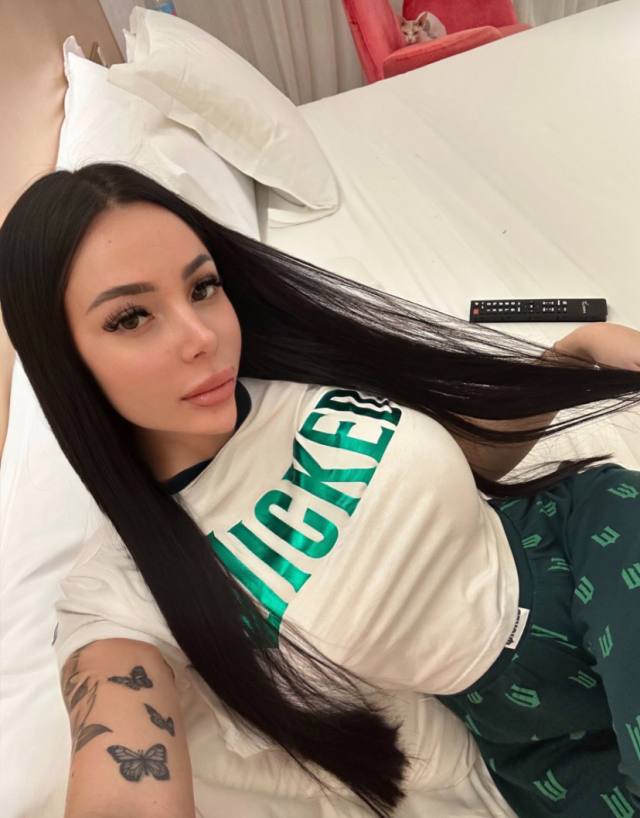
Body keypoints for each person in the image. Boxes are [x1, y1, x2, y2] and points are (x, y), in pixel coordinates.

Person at [1, 162, 640, 818]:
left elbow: (466, 452)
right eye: (132, 317)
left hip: (588, 540)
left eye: (202, 287)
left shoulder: (298, 367)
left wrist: (576, 352)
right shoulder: (122, 592)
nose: (202, 338)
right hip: (519, 726)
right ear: (63, 358)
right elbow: (123, 776)